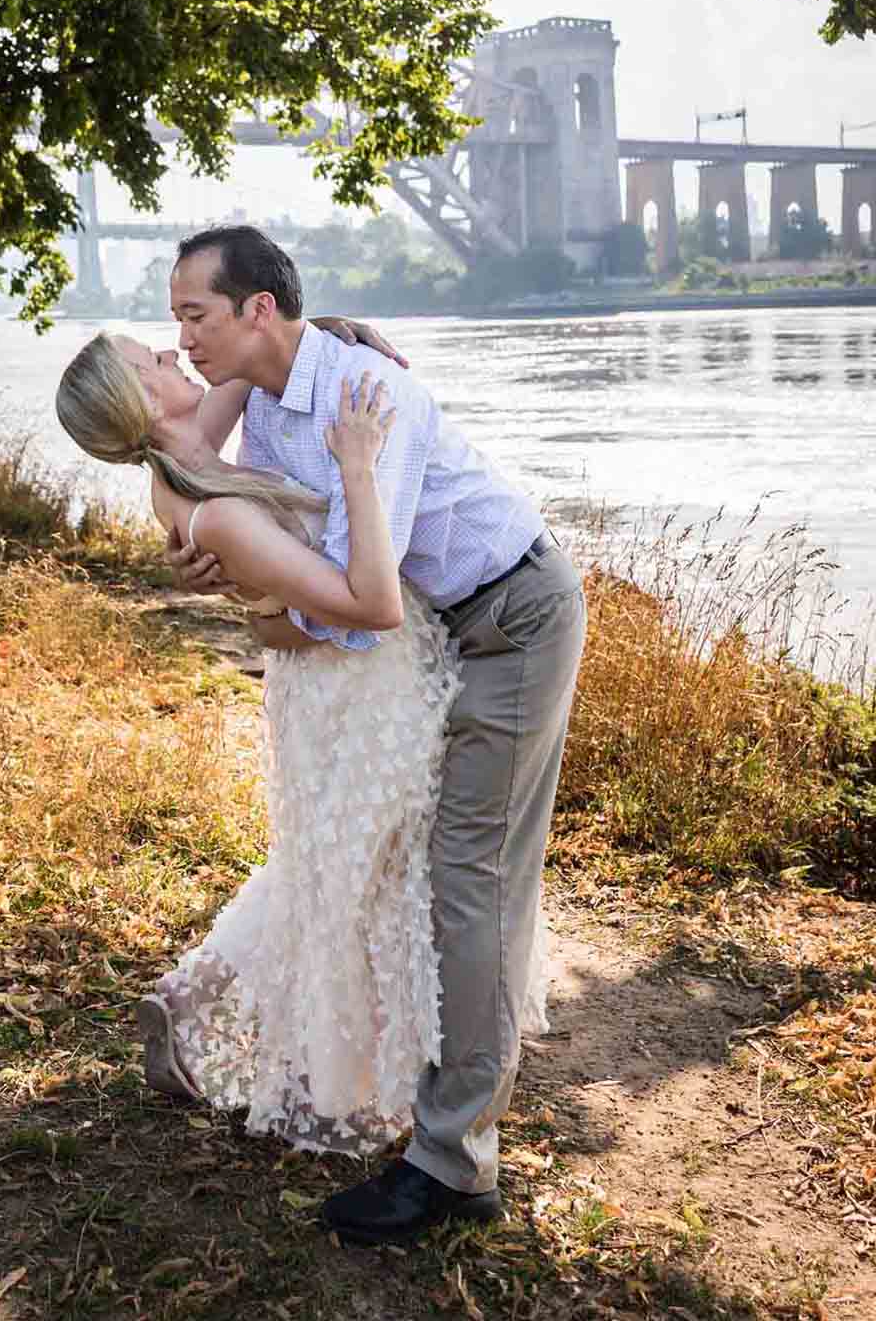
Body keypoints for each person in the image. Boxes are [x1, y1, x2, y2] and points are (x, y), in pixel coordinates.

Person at [161, 226, 586, 1246]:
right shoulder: (268, 405)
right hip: (448, 633)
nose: (181, 341)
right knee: (419, 875)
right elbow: (287, 528)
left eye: (196, 316)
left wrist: (268, 610)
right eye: (174, 321)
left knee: (469, 880)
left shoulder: (365, 398)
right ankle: (436, 1109)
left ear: (259, 307)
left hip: (513, 619)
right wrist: (253, 569)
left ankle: (452, 1168)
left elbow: (364, 597)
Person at [55, 326, 522, 1163]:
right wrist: (355, 464)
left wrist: (324, 324)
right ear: (140, 402)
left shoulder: (188, 450)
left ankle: (204, 1002)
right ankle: (338, 1072)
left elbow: (258, 350)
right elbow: (362, 606)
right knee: (364, 871)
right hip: (356, 691)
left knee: (345, 863)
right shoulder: (210, 504)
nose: (175, 353)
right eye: (154, 362)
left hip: (353, 680)